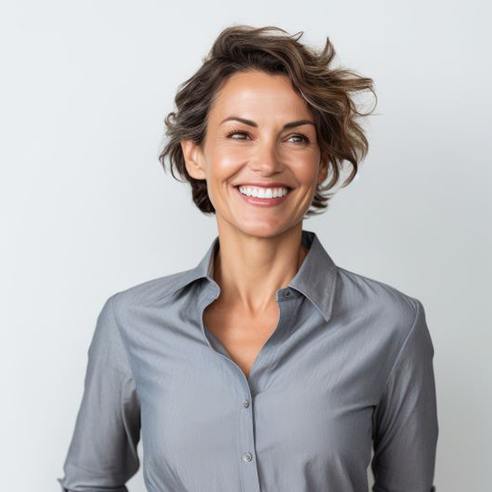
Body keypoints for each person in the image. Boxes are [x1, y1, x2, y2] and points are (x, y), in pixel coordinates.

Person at [57, 24, 438, 492]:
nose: (266, 162)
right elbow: (89, 482)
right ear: (196, 155)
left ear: (321, 163)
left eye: (295, 138)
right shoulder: (131, 321)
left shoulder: (391, 324)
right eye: (240, 134)